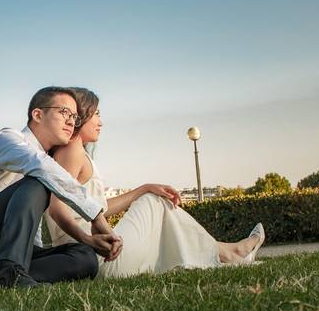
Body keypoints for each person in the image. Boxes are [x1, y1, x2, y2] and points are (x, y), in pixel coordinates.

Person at [44, 88, 265, 277]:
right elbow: (56, 207)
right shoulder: (71, 150)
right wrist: (89, 240)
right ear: (81, 115)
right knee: (154, 201)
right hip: (99, 258)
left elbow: (96, 209)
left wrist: (144, 188)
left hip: (98, 256)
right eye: (97, 114)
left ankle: (227, 252)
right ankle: (229, 253)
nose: (101, 122)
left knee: (151, 196)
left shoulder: (73, 152)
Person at [0, 87, 120, 294]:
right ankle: (9, 274)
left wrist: (88, 240)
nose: (72, 121)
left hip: (12, 253)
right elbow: (40, 166)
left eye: (74, 116)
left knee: (84, 258)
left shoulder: (51, 162)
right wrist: (96, 217)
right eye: (64, 113)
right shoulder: (7, 139)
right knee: (38, 181)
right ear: (37, 114)